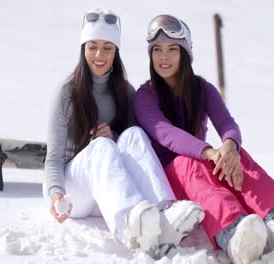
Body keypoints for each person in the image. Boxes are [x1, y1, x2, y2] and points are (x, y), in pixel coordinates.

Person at [133, 14, 274, 263]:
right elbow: (167, 135)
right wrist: (209, 152)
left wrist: (229, 146)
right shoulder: (145, 96)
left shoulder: (202, 89)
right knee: (189, 163)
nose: (164, 56)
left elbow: (227, 124)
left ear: (185, 54)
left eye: (171, 49)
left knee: (236, 155)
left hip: (202, 164)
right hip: (172, 179)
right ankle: (234, 234)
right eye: (157, 50)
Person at [43, 9, 204, 258]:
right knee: (102, 147)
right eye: (92, 46)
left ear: (116, 52)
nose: (99, 55)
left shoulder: (125, 91)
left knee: (134, 134)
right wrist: (55, 194)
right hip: (70, 192)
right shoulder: (67, 92)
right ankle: (131, 229)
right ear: (83, 49)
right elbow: (53, 157)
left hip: (107, 197)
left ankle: (165, 213)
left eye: (107, 47)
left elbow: (132, 152)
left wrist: (115, 136)